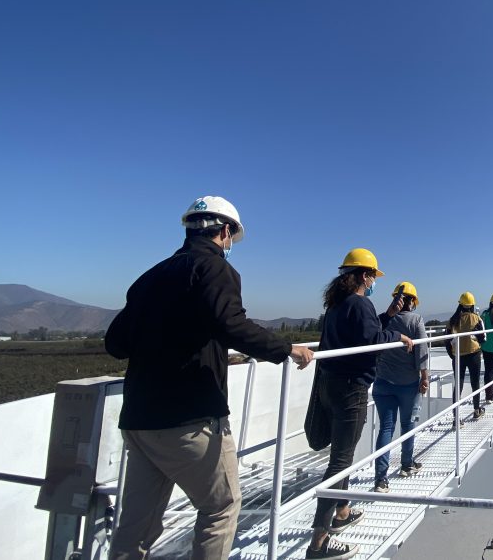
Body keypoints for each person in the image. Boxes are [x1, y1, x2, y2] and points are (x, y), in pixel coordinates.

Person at [105, 195, 314, 560]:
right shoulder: (214, 269)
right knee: (221, 506)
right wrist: (286, 349)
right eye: (232, 235)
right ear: (226, 232)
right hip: (190, 419)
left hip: (140, 420)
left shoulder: (150, 277)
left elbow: (116, 344)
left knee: (136, 527)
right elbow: (230, 323)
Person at [306, 249, 414, 560]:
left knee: (344, 456)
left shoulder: (337, 305)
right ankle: (318, 543)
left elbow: (361, 333)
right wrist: (395, 333)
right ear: (365, 276)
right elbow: (372, 341)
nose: (374, 282)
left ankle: (342, 511)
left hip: (330, 384)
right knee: (340, 461)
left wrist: (387, 318)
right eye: (373, 276)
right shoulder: (360, 303)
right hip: (351, 390)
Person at [372, 282, 429, 493]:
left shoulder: (383, 319)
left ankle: (380, 479)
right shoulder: (416, 320)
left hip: (383, 382)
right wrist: (424, 377)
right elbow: (421, 350)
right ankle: (407, 464)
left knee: (385, 428)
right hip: (408, 384)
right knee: (408, 425)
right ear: (413, 302)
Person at [444, 292, 485, 421]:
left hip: (458, 356)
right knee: (475, 383)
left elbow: (447, 339)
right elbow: (483, 338)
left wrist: (452, 354)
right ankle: (476, 410)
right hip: (474, 354)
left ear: (460, 305)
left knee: (458, 385)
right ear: (472, 305)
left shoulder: (453, 320)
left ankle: (456, 418)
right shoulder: (477, 318)